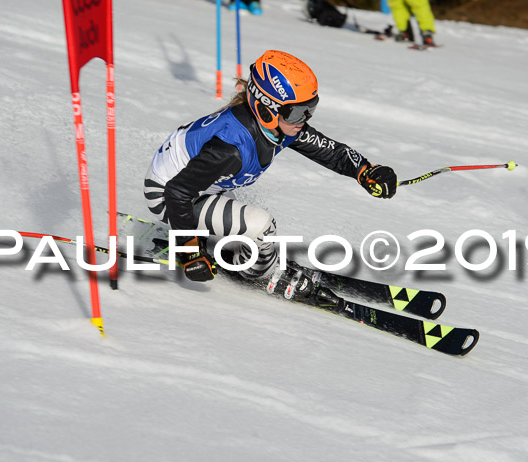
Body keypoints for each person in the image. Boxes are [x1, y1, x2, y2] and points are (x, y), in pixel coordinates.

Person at [144, 50, 397, 292]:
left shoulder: (282, 127)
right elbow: (177, 191)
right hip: (168, 196)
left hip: (202, 188)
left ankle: (229, 246)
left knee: (249, 227)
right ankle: (259, 273)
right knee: (262, 226)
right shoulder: (230, 148)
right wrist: (190, 252)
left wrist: (365, 171)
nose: (304, 120)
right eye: (298, 112)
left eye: (310, 109)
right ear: (267, 108)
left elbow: (330, 151)